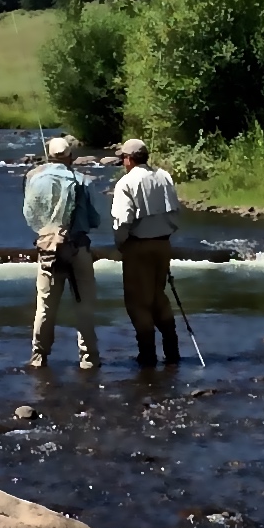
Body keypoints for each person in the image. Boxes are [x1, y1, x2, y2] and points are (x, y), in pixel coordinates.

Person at [21, 133, 107, 370]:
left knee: (45, 307)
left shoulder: (33, 179)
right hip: (78, 249)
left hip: (48, 250)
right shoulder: (82, 181)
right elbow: (94, 220)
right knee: (84, 306)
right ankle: (89, 359)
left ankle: (39, 357)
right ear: (71, 157)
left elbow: (29, 215)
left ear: (49, 156)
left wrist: (48, 229)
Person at [107, 136, 182, 367]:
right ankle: (172, 352)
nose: (122, 162)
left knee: (138, 302)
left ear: (129, 159)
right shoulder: (164, 176)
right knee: (158, 296)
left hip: (138, 247)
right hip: (163, 245)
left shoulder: (126, 183)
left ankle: (147, 356)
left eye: (123, 158)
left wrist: (121, 244)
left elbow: (123, 221)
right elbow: (175, 213)